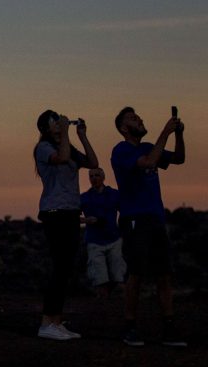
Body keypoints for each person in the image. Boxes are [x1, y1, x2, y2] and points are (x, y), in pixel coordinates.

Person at [111, 107, 186, 347]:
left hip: (155, 218)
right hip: (135, 219)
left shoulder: (147, 147)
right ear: (124, 128)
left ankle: (169, 327)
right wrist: (166, 130)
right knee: (137, 274)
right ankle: (130, 326)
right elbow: (148, 163)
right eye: (133, 118)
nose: (140, 119)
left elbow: (179, 158)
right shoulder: (122, 150)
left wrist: (178, 134)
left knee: (164, 274)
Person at [33, 110, 98, 341]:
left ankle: (56, 322)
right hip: (54, 213)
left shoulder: (68, 147)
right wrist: (67, 133)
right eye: (55, 123)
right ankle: (46, 323)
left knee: (66, 269)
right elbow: (60, 159)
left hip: (70, 212)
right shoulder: (43, 148)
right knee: (60, 267)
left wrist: (81, 135)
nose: (60, 126)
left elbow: (93, 163)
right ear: (45, 129)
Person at [80, 168, 126, 298]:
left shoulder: (114, 194)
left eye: (97, 175)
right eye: (91, 176)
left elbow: (125, 211)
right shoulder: (85, 198)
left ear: (103, 177)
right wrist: (86, 220)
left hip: (114, 238)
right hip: (94, 240)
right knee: (100, 280)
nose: (94, 178)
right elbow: (71, 215)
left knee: (119, 277)